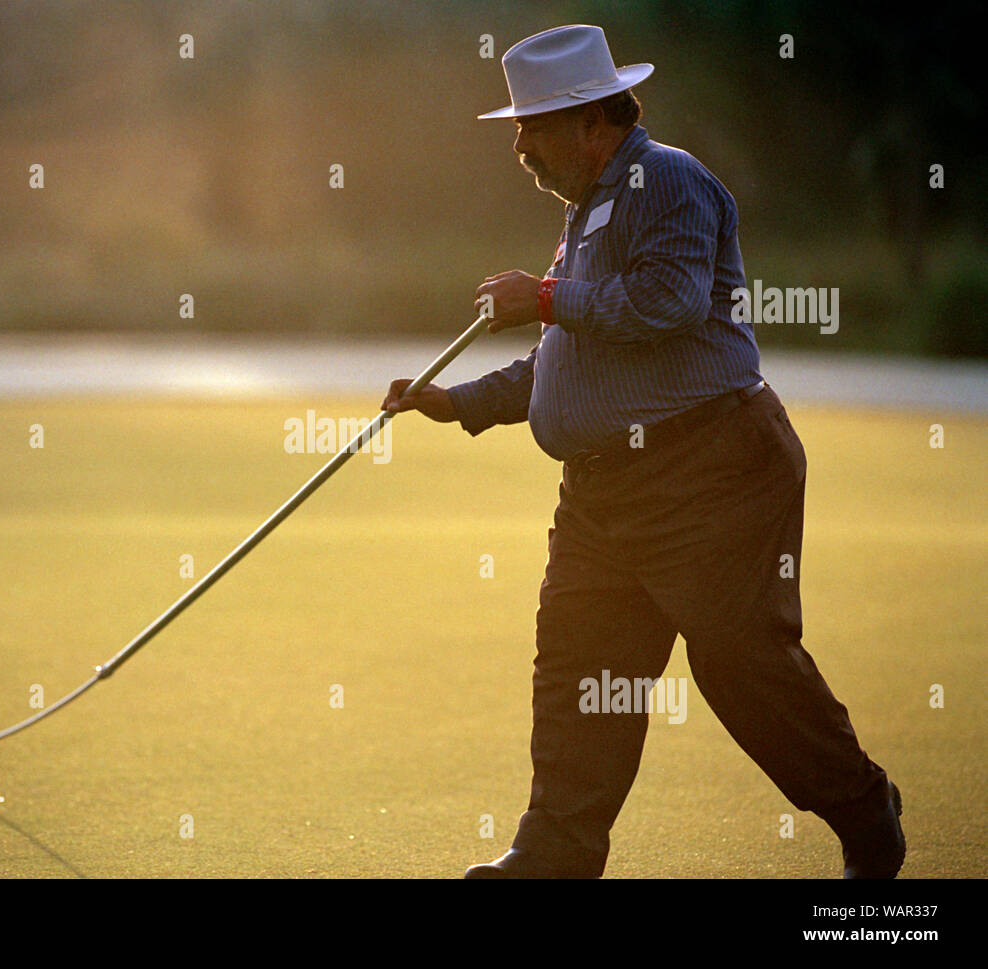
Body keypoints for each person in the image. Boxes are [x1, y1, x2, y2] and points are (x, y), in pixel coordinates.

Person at [381, 24, 905, 879]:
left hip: (713, 472)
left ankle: (863, 808)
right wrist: (458, 402)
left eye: (533, 125)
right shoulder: (588, 211)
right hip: (604, 494)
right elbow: (572, 361)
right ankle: (555, 849)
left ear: (593, 121)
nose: (519, 146)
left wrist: (544, 296)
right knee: (580, 665)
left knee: (743, 667)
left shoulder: (666, 179)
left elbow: (666, 302)